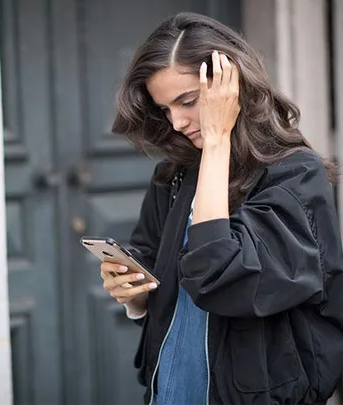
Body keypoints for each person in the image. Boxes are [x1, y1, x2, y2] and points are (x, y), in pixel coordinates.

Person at [99, 12, 343, 405]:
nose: (176, 122)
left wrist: (217, 140)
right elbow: (148, 257)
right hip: (172, 386)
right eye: (165, 109)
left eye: (189, 101)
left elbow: (223, 277)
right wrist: (131, 293)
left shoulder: (295, 175)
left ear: (230, 90)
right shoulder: (175, 175)